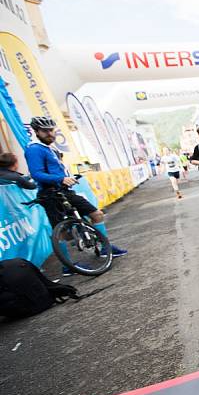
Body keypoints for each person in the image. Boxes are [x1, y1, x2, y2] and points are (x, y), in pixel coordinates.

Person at [24, 116, 128, 276]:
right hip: (51, 194)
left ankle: (105, 249)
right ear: (36, 131)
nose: (50, 133)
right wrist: (60, 178)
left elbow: (55, 170)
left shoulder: (49, 148)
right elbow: (36, 174)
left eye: (52, 130)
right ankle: (68, 266)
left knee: (96, 215)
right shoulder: (34, 149)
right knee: (62, 231)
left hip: (64, 190)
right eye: (45, 131)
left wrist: (68, 176)